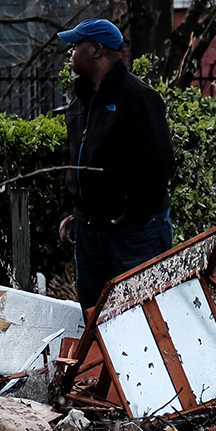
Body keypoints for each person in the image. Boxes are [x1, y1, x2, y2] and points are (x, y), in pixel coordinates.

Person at [55, 18, 175, 309]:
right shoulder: (80, 102)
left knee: (142, 317)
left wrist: (134, 213)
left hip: (134, 235)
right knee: (94, 317)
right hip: (89, 231)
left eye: (76, 45)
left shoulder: (138, 97)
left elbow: (160, 161)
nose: (69, 52)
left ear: (97, 50)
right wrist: (68, 210)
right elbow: (72, 161)